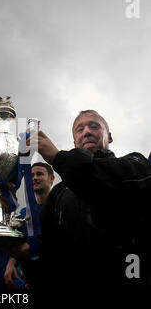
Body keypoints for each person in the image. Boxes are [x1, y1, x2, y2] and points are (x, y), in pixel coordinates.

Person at [18, 109, 151, 295]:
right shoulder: (59, 192)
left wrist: (58, 158)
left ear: (109, 137)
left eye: (94, 126)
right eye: (79, 129)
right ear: (74, 141)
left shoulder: (136, 164)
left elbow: (100, 178)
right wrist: (24, 253)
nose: (86, 131)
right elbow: (46, 251)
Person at [4, 162, 54, 289]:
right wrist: (11, 263)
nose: (35, 178)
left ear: (51, 178)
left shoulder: (59, 206)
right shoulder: (23, 214)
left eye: (39, 174)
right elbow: (20, 240)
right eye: (31, 175)